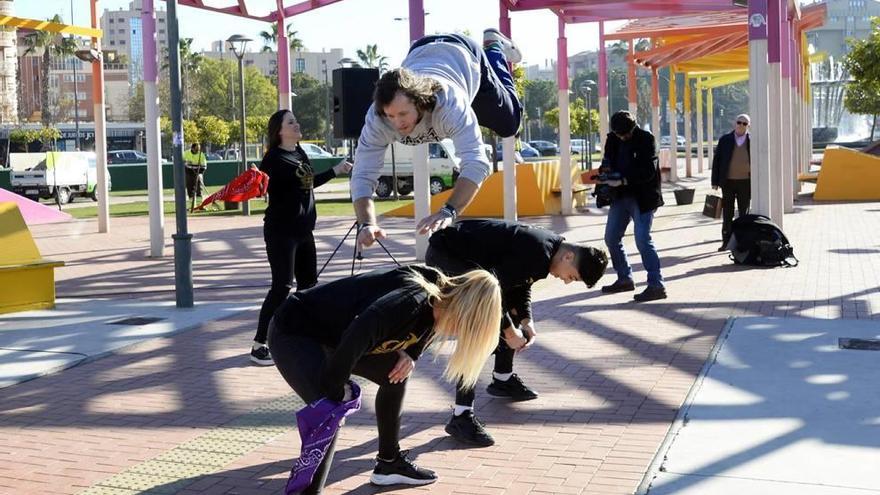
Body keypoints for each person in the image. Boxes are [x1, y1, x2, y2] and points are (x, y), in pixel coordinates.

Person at [268, 265, 503, 491]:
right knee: (330, 409)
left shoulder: (440, 302)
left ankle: (389, 464)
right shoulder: (410, 302)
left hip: (335, 337)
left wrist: (411, 354)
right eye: (467, 328)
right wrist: (335, 388)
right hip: (295, 329)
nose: (460, 335)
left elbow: (424, 330)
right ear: (463, 310)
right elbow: (360, 331)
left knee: (396, 372)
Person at [425, 219, 608, 446]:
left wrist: (525, 319)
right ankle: (461, 417)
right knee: (479, 330)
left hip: (469, 257)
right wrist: (511, 333)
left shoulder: (549, 251)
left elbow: (520, 285)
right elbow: (491, 294)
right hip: (448, 254)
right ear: (569, 257)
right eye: (572, 277)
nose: (567, 282)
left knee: (505, 324)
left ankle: (502, 379)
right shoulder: (539, 252)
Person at [352, 29, 523, 247]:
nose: (397, 123)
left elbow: (477, 163)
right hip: (420, 51)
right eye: (391, 115)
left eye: (403, 114)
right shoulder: (377, 119)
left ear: (420, 102)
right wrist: (366, 223)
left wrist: (449, 210)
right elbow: (363, 173)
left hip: (465, 55)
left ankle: (494, 48)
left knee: (509, 124)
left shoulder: (450, 105)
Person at [250, 109, 352, 366]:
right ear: (279, 131)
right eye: (291, 122)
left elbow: (308, 183)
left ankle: (306, 335)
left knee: (308, 285)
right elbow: (264, 186)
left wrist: (336, 169)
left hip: (304, 231)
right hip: (281, 231)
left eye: (296, 120)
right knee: (282, 286)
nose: (297, 124)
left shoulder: (300, 152)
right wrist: (255, 183)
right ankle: (259, 343)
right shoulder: (273, 159)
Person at [597, 110, 667, 302]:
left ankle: (656, 284)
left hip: (642, 197)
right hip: (620, 197)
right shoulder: (612, 139)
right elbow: (607, 159)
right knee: (611, 237)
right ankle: (624, 278)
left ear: (633, 128)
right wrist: (605, 174)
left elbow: (648, 171)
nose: (622, 137)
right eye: (619, 134)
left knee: (642, 239)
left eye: (625, 134)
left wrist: (623, 180)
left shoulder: (646, 139)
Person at [711, 114, 751, 251]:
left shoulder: (752, 140)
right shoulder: (725, 140)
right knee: (727, 213)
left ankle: (742, 242)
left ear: (748, 126)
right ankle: (726, 242)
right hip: (727, 182)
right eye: (739, 122)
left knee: (743, 213)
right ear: (734, 124)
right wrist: (715, 181)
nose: (741, 125)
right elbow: (717, 161)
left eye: (744, 123)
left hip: (746, 183)